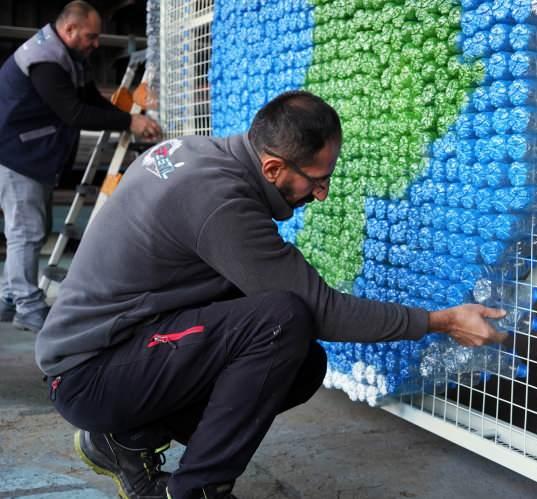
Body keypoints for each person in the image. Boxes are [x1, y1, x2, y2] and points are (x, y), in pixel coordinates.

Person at [35, 91, 507, 499]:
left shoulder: (205, 155)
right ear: (273, 166)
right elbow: (321, 311)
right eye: (316, 179)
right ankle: (199, 488)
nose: (320, 194)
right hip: (90, 374)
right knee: (283, 320)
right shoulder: (218, 199)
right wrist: (441, 321)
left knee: (302, 365)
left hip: (123, 352)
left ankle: (126, 438)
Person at [0, 1, 161, 333]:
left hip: (32, 154)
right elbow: (73, 113)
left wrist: (126, 119)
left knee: (29, 230)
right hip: (17, 155)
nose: (96, 43)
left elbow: (90, 100)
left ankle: (9, 297)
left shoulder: (69, 57)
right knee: (26, 232)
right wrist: (128, 122)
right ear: (69, 30)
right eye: (91, 36)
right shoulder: (45, 61)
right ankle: (28, 307)